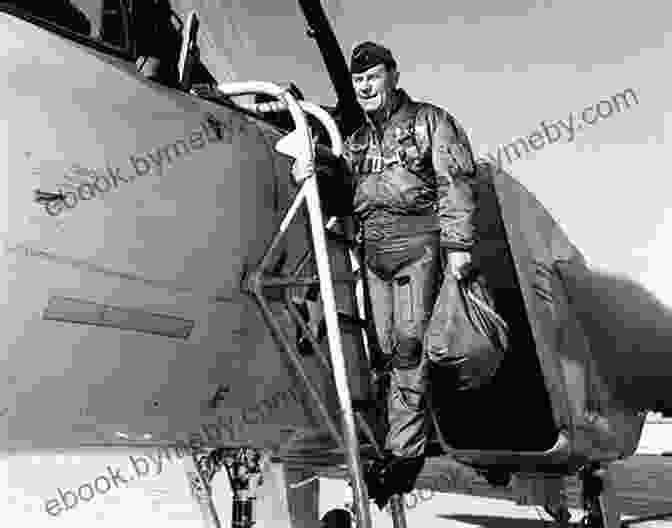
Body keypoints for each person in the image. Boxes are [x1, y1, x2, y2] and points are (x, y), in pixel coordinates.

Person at [341, 41, 478, 501]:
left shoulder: (429, 120)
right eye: (359, 80)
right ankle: (395, 443)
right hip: (374, 250)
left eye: (373, 77)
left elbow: (454, 181)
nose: (364, 86)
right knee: (383, 349)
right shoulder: (356, 140)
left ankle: (406, 454)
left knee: (408, 348)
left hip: (418, 244)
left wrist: (459, 246)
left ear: (393, 76)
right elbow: (345, 192)